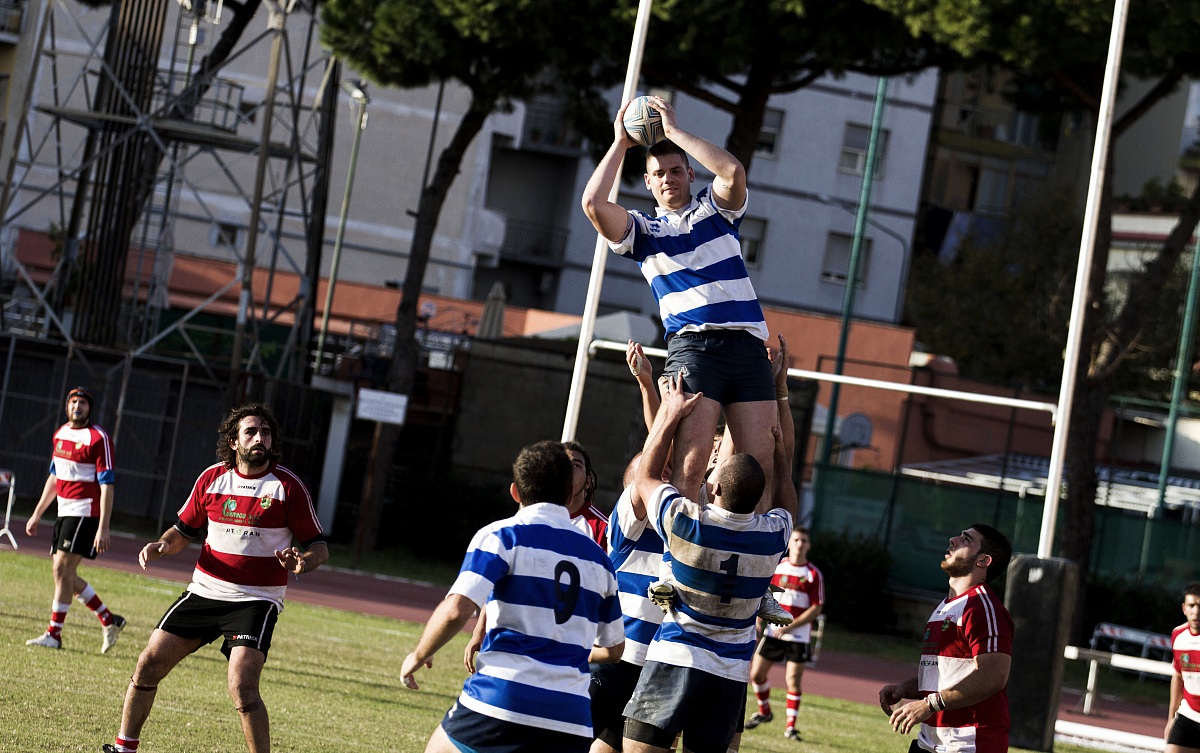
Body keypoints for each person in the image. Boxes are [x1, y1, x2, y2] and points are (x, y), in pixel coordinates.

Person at [582, 95, 778, 510]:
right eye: (658, 173)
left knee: (759, 469)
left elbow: (732, 171)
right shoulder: (643, 231)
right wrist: (621, 142)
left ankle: (748, 550)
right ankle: (680, 549)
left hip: (748, 348)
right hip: (695, 349)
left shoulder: (716, 210)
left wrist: (672, 131)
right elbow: (594, 205)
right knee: (688, 468)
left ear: (690, 173)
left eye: (676, 170)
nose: (668, 178)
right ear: (648, 182)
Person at [102, 403, 327, 753]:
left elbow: (318, 547)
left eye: (266, 433)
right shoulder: (212, 478)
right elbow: (182, 531)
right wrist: (162, 545)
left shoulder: (287, 486)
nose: (260, 438)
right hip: (204, 592)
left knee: (242, 687)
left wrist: (302, 563)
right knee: (148, 663)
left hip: (255, 600)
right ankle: (124, 749)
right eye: (251, 432)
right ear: (233, 441)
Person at [402, 440, 624, 753]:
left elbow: (455, 610)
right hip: (571, 716)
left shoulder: (501, 535)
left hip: (503, 699)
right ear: (568, 493)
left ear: (515, 492)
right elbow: (614, 650)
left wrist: (419, 654)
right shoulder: (599, 558)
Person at [620, 375, 795, 753]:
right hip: (730, 673)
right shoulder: (772, 537)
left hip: (676, 657)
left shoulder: (689, 524)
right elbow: (785, 501)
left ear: (714, 487)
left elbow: (646, 475)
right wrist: (779, 453)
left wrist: (670, 413)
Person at [878, 524, 1014, 753]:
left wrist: (930, 704)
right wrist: (906, 688)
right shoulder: (946, 606)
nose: (953, 540)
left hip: (969, 745)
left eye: (966, 539)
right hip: (930, 743)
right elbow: (949, 673)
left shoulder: (982, 607)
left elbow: (993, 675)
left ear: (983, 560)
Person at [25, 386, 125, 653]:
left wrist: (103, 527)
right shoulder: (60, 433)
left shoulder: (98, 438)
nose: (77, 407)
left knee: (62, 570)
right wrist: (37, 513)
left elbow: (107, 485)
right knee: (64, 573)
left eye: (82, 403)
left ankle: (54, 635)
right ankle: (109, 619)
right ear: (66, 406)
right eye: (73, 402)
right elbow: (55, 476)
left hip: (84, 512)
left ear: (90, 408)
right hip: (64, 511)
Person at [745, 525, 825, 741]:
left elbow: (816, 608)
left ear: (809, 546)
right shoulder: (778, 567)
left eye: (804, 541)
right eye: (796, 540)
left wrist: (790, 625)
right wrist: (760, 617)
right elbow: (765, 594)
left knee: (793, 680)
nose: (799, 544)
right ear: (789, 543)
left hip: (798, 636)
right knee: (756, 674)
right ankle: (764, 711)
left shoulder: (813, 574)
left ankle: (790, 727)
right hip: (774, 632)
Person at [1166, 582, 1200, 753]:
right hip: (1188, 714)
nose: (1196, 611)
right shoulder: (1178, 635)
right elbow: (1178, 677)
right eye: (1192, 605)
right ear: (1184, 608)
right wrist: (1171, 718)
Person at [564, 440, 609, 547]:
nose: (568, 470)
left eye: (576, 465)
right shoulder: (534, 518)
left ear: (588, 482)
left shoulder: (604, 530)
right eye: (562, 464)